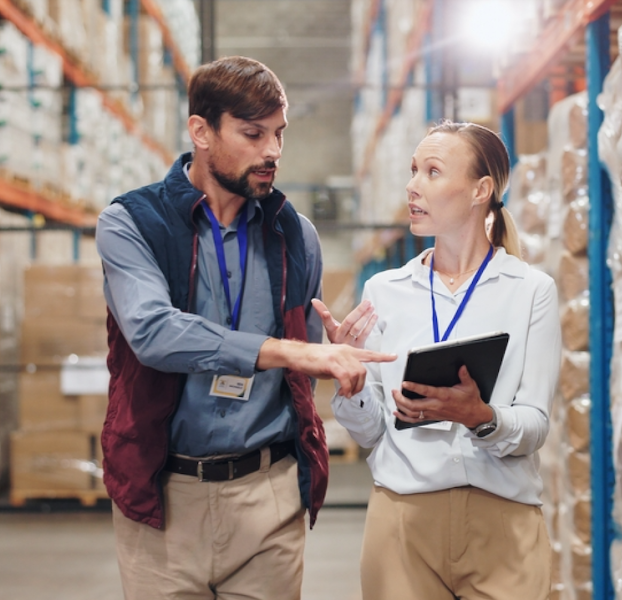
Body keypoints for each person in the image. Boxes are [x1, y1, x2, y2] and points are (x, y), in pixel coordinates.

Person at [95, 55, 395, 600]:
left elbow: (304, 358)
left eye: (279, 134)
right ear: (201, 131)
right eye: (253, 134)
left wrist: (333, 356)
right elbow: (152, 333)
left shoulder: (294, 235)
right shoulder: (131, 223)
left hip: (269, 495)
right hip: (164, 497)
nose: (273, 152)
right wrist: (287, 351)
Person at [314, 120, 562, 600]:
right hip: (403, 522)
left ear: (480, 190)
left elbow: (534, 424)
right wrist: (354, 383)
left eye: (431, 172)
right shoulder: (384, 291)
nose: (412, 186)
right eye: (412, 171)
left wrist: (481, 418)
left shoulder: (531, 291)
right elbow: (370, 433)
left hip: (503, 525)